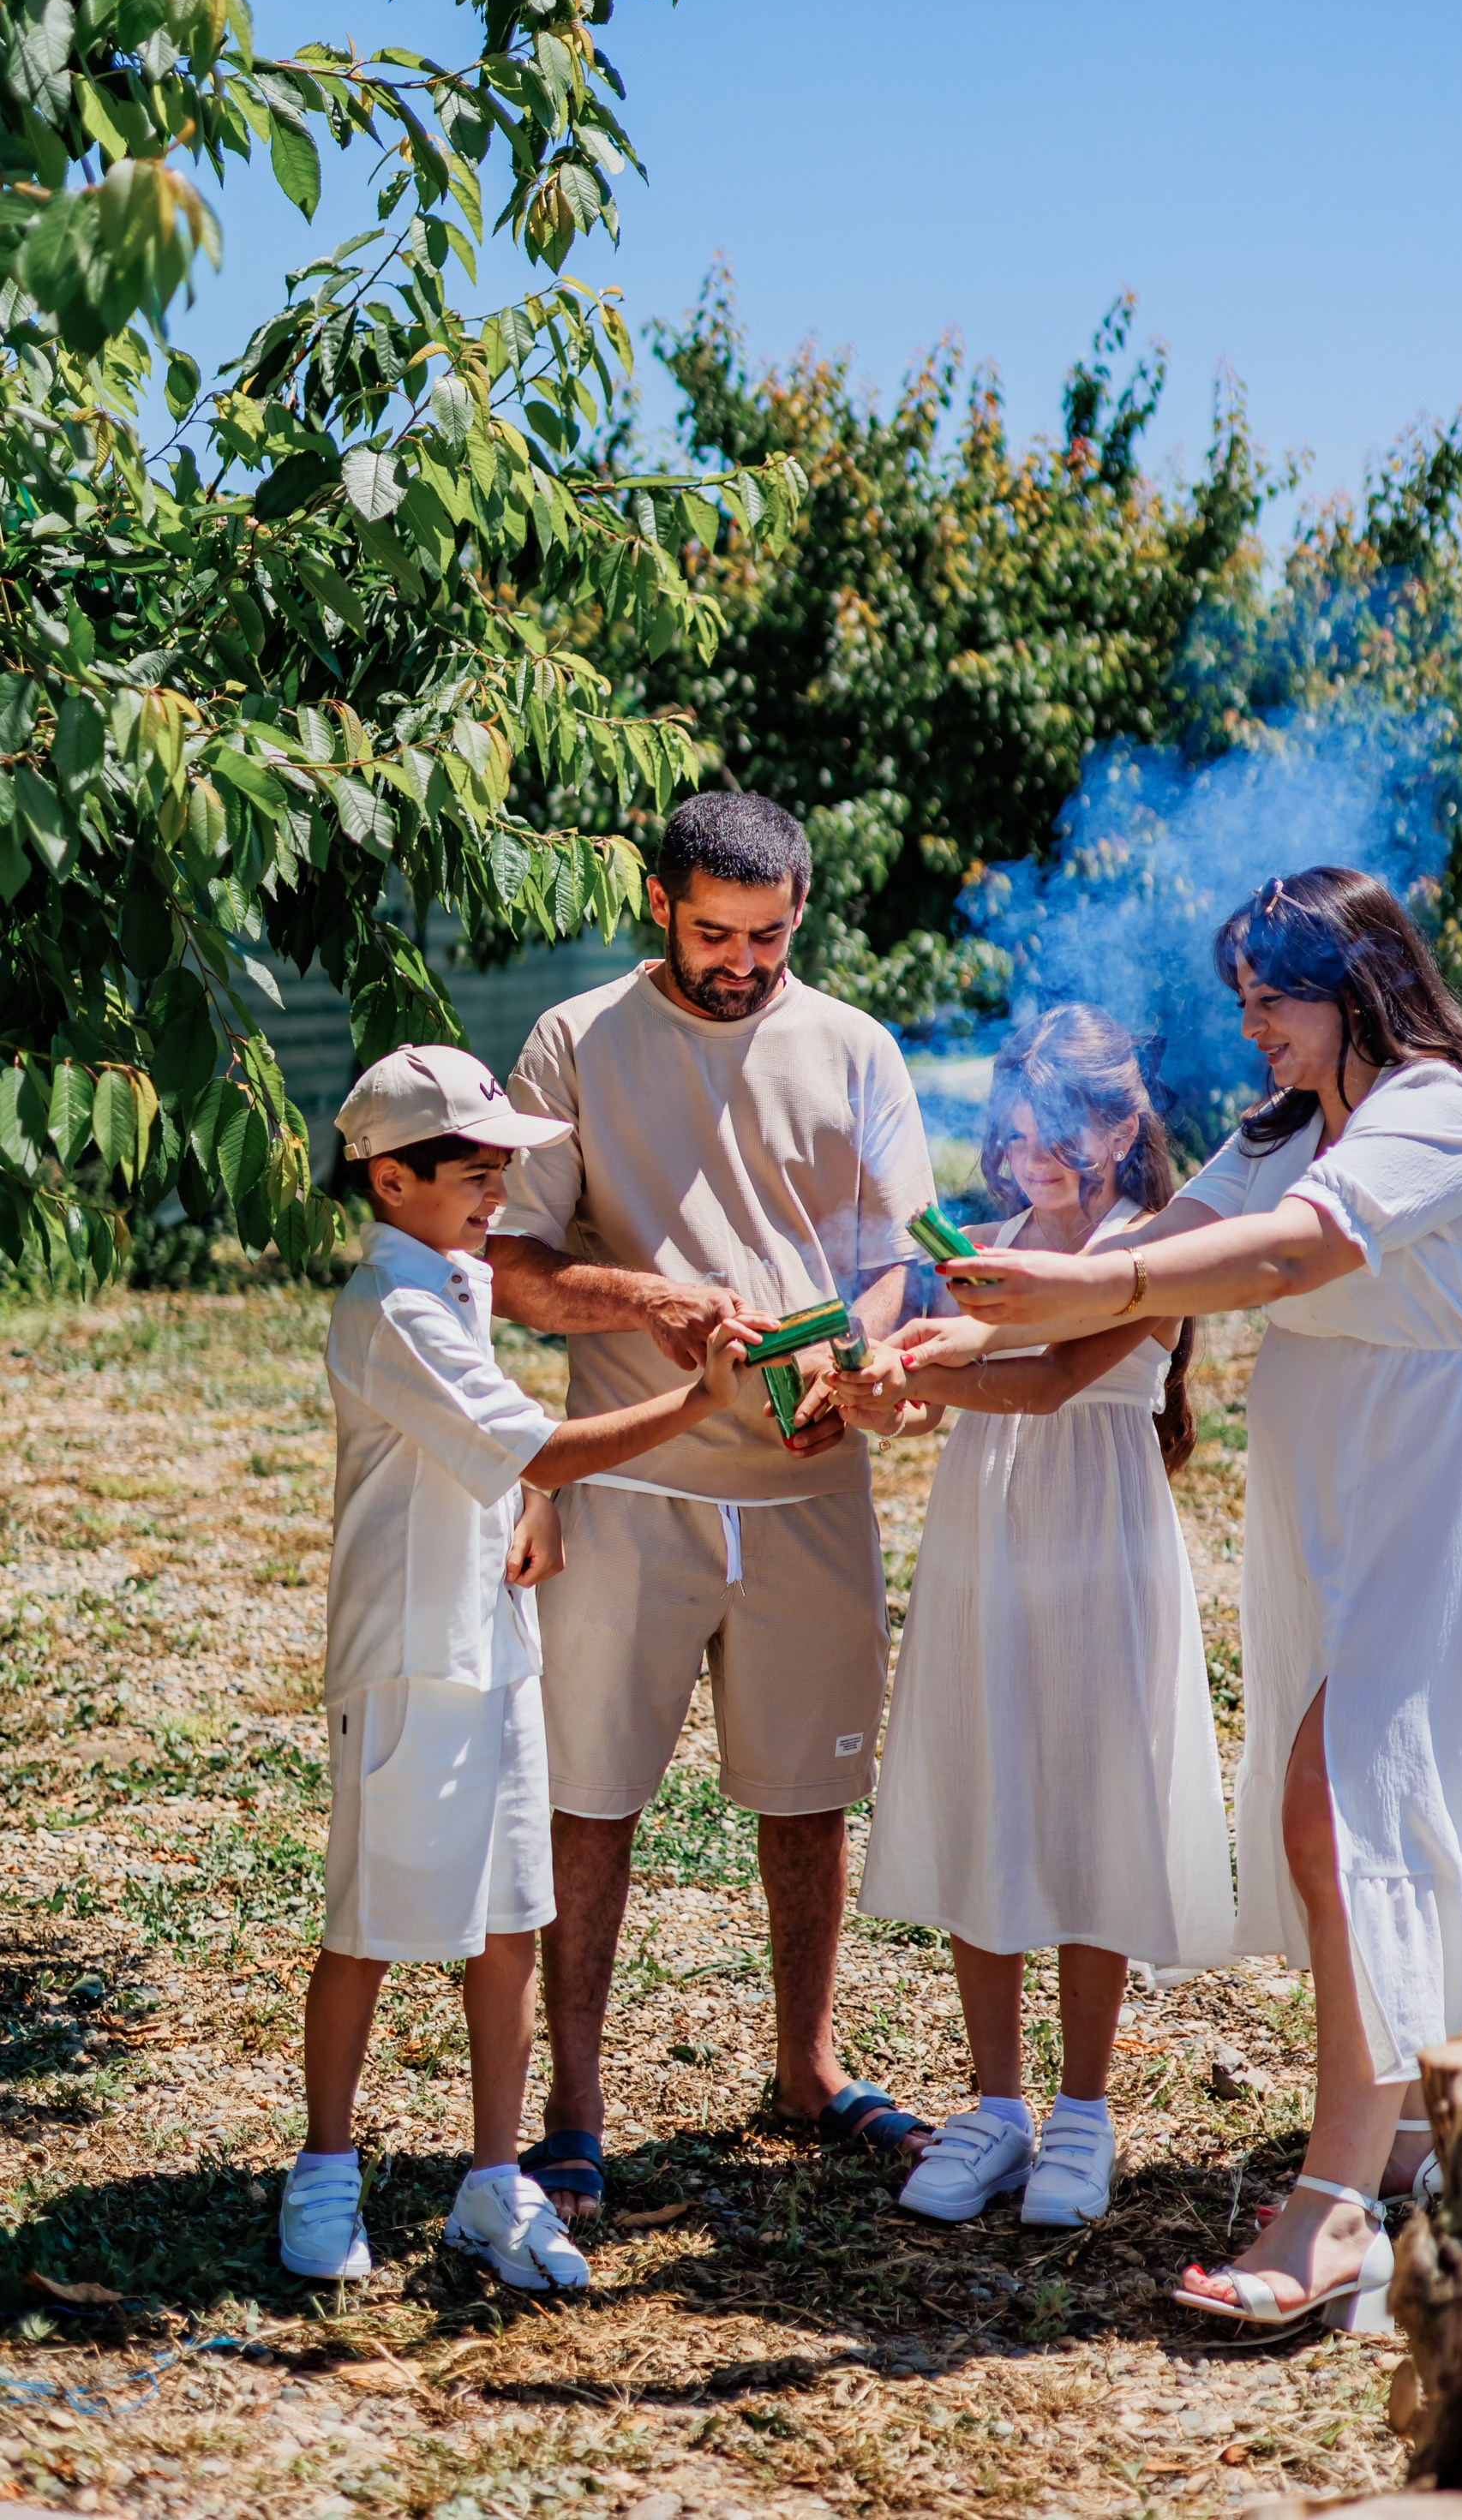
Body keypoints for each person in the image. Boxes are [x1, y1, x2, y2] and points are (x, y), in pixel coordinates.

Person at [907, 869, 1462, 2333]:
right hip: (1336, 1490)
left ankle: (1331, 2207)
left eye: (1271, 998)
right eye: (1242, 1002)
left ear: (1355, 985)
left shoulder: (1436, 1108)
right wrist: (945, 1341)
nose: (1252, 1028)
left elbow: (1293, 1253)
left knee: (1339, 1805)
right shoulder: (1284, 1125)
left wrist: (1096, 1272)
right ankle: (1401, 2131)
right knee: (1363, 1808)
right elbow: (1133, 1294)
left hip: (1444, 1481)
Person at [485, 792, 939, 2221]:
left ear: (803, 910)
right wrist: (654, 1299)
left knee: (809, 1798)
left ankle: (806, 2071)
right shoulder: (573, 1041)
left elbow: (892, 1257)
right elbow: (514, 1265)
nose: (741, 961)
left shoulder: (857, 1046)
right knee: (589, 1798)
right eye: (712, 933)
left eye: (769, 935)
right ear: (658, 906)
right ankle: (572, 2110)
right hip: (628, 1473)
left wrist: (855, 1356)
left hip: (811, 1482)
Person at [280, 1044, 757, 2293]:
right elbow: (537, 1445)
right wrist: (698, 1402)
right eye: (476, 1173)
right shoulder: (387, 1308)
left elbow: (494, 1458)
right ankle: (325, 2169)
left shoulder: (453, 1281)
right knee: (369, 1927)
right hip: (406, 1661)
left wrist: (519, 1515)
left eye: (505, 1171)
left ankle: (496, 2181)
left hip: (492, 1644)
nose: (499, 1194)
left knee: (509, 1917)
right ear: (390, 1181)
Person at [829, 1006, 1235, 2230]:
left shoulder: (1150, 1249)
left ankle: (1084, 2110)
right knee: (990, 1782)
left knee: (1090, 1794)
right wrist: (872, 1385)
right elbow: (928, 1406)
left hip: (1099, 1545)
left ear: (1120, 1127)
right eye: (1007, 1135)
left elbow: (1052, 1376)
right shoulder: (988, 1241)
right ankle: (997, 2105)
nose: (1023, 1159)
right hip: (987, 1539)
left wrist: (933, 1359)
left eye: (1053, 1135)